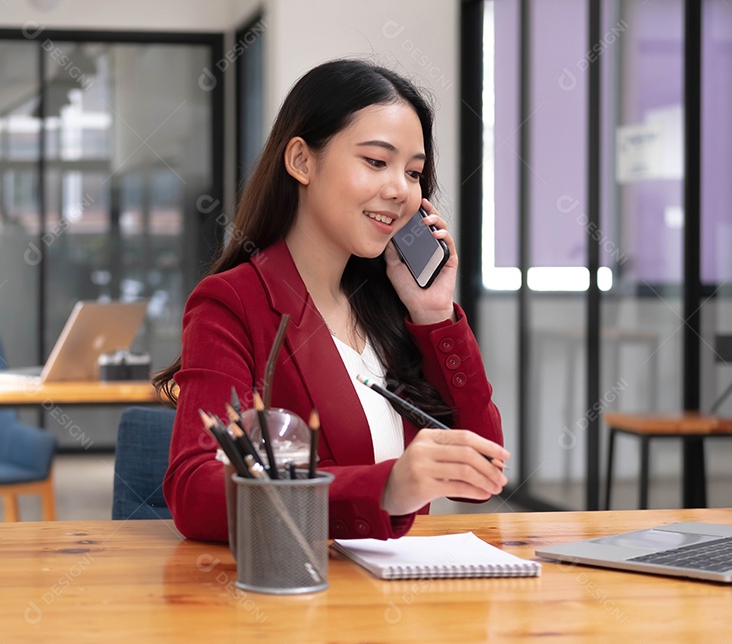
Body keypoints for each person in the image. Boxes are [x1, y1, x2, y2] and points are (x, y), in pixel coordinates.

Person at [156, 58, 508, 542]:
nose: (399, 190)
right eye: (376, 162)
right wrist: (384, 489)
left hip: (406, 599)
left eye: (413, 173)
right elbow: (195, 492)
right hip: (302, 593)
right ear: (302, 161)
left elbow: (482, 473)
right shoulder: (233, 302)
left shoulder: (392, 307)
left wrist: (434, 315)